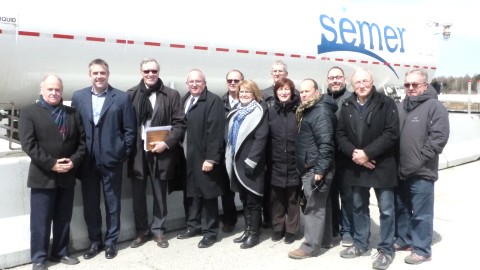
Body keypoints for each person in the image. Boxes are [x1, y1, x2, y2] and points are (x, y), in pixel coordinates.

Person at [19, 75, 86, 270]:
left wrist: (73, 162)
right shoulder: (29, 112)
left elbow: (82, 143)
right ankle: (39, 258)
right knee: (40, 220)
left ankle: (61, 251)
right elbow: (28, 144)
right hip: (43, 175)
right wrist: (51, 164)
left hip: (67, 174)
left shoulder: (72, 113)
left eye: (57, 89)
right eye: (50, 89)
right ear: (42, 91)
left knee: (64, 217)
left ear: (61, 91)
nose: (54, 92)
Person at [72, 59, 136, 260]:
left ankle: (111, 243)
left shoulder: (122, 98)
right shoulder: (78, 96)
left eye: (102, 73)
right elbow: (75, 129)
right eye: (95, 73)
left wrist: (121, 153)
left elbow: (129, 130)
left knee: (112, 204)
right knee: (90, 204)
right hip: (87, 162)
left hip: (112, 161)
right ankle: (94, 242)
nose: (99, 76)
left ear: (108, 74)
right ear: (89, 75)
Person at [336, 68, 399, 270]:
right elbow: (340, 135)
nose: (361, 86)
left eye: (365, 81)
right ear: (352, 85)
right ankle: (360, 243)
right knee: (358, 207)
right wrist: (356, 155)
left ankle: (386, 250)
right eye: (357, 83)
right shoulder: (346, 105)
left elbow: (391, 133)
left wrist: (368, 154)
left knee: (387, 210)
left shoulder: (386, 103)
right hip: (357, 166)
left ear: (372, 82)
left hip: (382, 165)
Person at [126, 58, 186, 249]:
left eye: (153, 71)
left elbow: (180, 124)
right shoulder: (131, 95)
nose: (150, 74)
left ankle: (158, 230)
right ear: (141, 72)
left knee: (160, 192)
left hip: (161, 152)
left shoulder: (171, 95)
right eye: (146, 71)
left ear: (158, 72)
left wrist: (167, 143)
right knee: (138, 195)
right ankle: (142, 231)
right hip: (137, 152)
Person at [394, 68, 449, 265]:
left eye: (414, 84)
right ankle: (404, 239)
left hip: (421, 171)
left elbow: (438, 138)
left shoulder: (435, 107)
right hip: (401, 171)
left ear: (424, 86)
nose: (410, 88)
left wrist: (419, 159)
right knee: (401, 209)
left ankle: (422, 249)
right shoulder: (402, 106)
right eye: (407, 84)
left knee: (421, 213)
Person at [287, 79, 337, 259]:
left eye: (307, 91)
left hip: (316, 167)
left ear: (317, 92)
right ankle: (324, 239)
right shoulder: (311, 109)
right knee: (321, 204)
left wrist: (320, 170)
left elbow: (326, 144)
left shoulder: (320, 111)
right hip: (313, 165)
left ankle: (309, 247)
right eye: (301, 92)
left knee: (313, 207)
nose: (304, 94)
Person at [176, 69, 225, 249]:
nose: (194, 84)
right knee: (191, 194)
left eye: (198, 81)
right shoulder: (185, 99)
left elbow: (216, 132)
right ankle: (193, 226)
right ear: (187, 83)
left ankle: (210, 232)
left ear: (204, 83)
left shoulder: (213, 101)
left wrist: (211, 158)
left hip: (204, 157)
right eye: (191, 82)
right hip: (188, 156)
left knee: (208, 195)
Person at [226, 79, 269, 249]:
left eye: (247, 92)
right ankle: (248, 230)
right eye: (242, 92)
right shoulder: (237, 110)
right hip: (237, 161)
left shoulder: (260, 110)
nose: (244, 95)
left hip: (252, 162)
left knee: (253, 199)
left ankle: (254, 234)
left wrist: (252, 160)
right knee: (244, 198)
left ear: (254, 94)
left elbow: (261, 137)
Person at [267, 78, 301, 244]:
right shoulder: (271, 111)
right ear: (276, 93)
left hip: (294, 161)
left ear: (292, 91)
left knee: (293, 199)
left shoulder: (299, 111)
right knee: (277, 199)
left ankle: (292, 230)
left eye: (286, 89)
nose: (283, 92)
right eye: (280, 90)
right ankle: (278, 227)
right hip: (276, 162)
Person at [325, 66, 354, 247]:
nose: (335, 80)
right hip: (328, 157)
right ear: (327, 80)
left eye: (338, 77)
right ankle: (333, 227)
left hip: (346, 158)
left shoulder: (351, 99)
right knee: (330, 195)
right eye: (331, 78)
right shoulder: (323, 99)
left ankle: (348, 231)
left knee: (348, 196)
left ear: (344, 79)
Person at [261, 60, 289, 228]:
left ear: (286, 74)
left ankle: (288, 220)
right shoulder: (264, 95)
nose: (277, 73)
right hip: (269, 149)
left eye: (281, 71)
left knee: (289, 189)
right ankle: (269, 219)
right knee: (269, 188)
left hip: (287, 149)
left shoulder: (295, 94)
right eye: (275, 71)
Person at [219, 69, 244, 233]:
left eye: (236, 80)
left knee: (245, 189)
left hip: (243, 152)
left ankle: (250, 223)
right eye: (230, 81)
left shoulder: (249, 101)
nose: (233, 83)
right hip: (224, 152)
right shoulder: (220, 102)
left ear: (242, 81)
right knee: (226, 190)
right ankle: (229, 220)